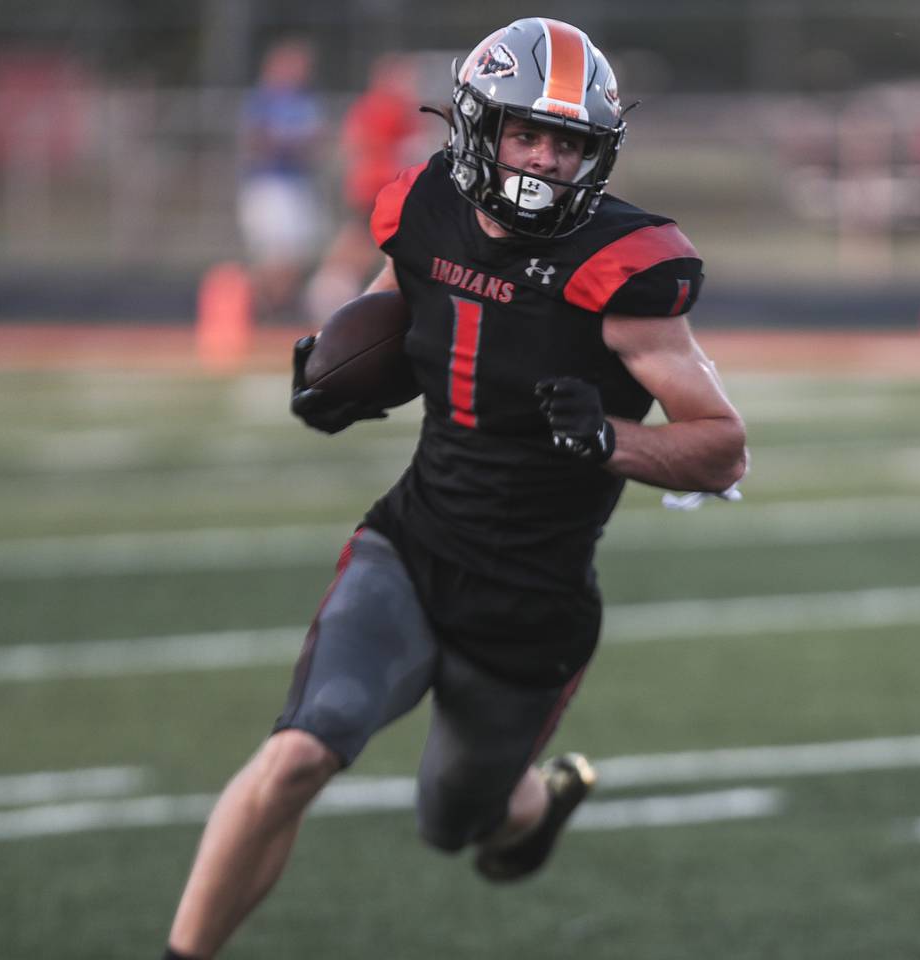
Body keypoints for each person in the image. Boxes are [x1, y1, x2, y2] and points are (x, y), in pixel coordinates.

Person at [161, 18, 747, 960]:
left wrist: (610, 439)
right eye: (529, 134)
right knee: (300, 752)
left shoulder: (624, 267)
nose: (548, 160)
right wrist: (344, 370)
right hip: (414, 548)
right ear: (480, 128)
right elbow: (414, 301)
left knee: (456, 822)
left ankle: (537, 797)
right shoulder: (423, 205)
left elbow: (721, 449)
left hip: (531, 604)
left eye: (569, 143)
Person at [304, 53, 423, 321]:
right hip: (378, 187)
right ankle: (331, 296)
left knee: (364, 248)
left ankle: (332, 293)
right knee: (362, 246)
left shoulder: (385, 106)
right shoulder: (385, 106)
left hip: (378, 186)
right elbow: (363, 145)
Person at [237, 39, 326, 319]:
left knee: (295, 256)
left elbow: (316, 143)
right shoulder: (263, 100)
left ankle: (271, 311)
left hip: (297, 183)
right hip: (270, 184)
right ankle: (254, 309)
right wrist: (287, 144)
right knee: (274, 257)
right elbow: (255, 142)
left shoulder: (305, 101)